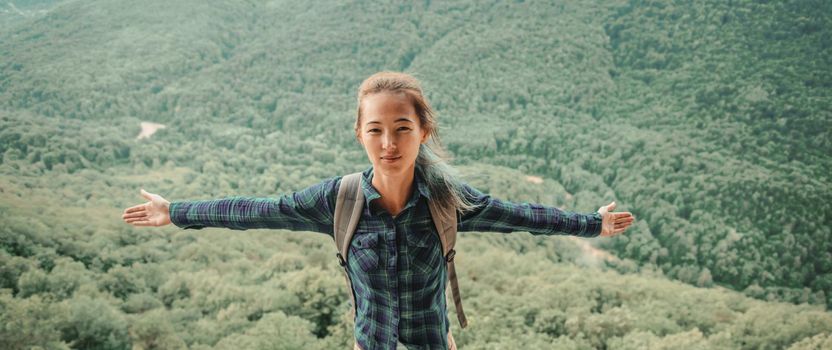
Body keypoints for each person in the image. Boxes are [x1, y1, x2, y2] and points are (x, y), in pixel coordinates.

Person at [122, 71, 635, 350]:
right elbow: (258, 209)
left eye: (403, 128)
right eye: (376, 129)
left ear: (423, 132)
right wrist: (178, 211)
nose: (388, 142)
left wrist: (594, 223)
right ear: (360, 134)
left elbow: (521, 216)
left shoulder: (446, 199)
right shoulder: (337, 200)